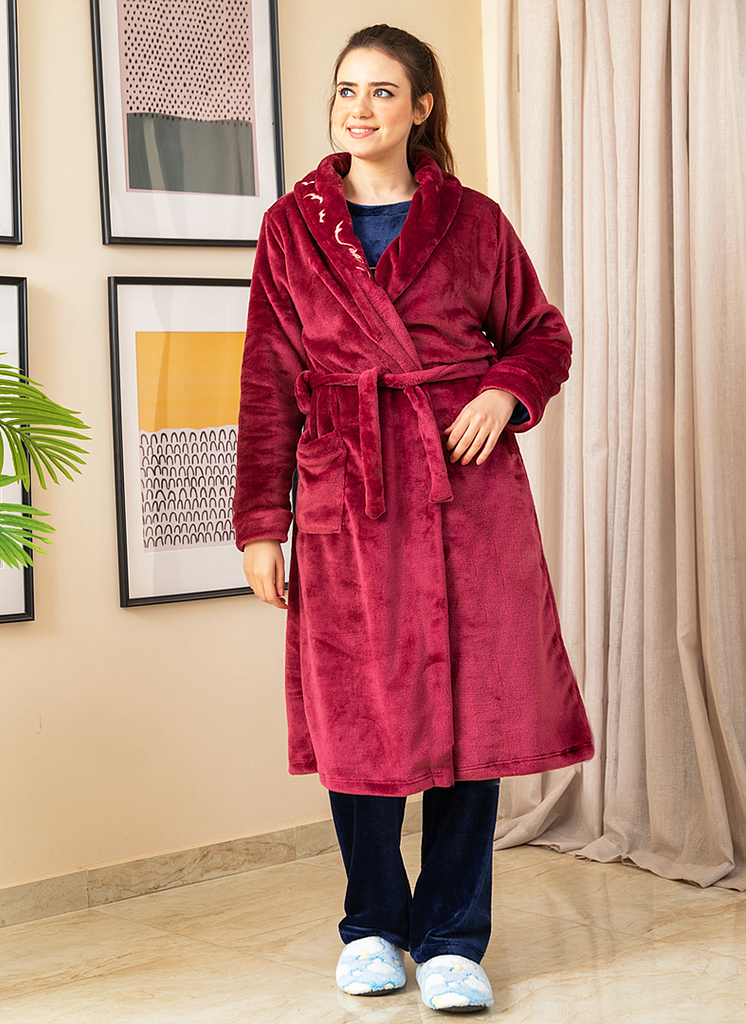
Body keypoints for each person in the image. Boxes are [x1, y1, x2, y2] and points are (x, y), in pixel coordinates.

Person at [232, 24, 594, 1013]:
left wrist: (503, 392)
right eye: (347, 89)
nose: (360, 109)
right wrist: (262, 524)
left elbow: (542, 335)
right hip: (347, 492)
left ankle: (451, 939)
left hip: (467, 493)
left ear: (421, 107)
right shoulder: (291, 227)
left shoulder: (473, 221)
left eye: (383, 92)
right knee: (360, 716)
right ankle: (370, 927)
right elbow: (266, 380)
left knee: (470, 716)